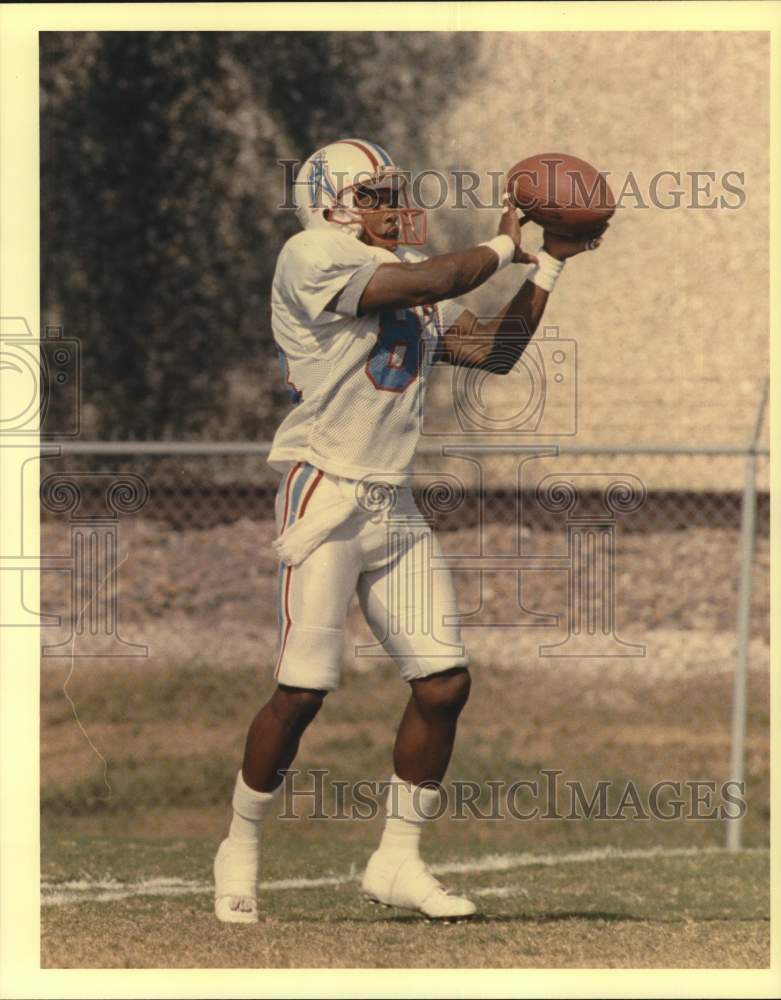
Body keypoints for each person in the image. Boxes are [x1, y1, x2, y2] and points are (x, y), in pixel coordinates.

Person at [214, 138, 605, 923]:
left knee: (443, 682)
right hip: (323, 492)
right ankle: (240, 847)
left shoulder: (414, 271)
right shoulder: (309, 254)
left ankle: (397, 861)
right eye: (375, 195)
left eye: (395, 192)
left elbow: (491, 351)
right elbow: (438, 277)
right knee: (301, 692)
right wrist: (504, 241)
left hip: (390, 502)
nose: (394, 207)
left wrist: (549, 265)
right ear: (331, 203)